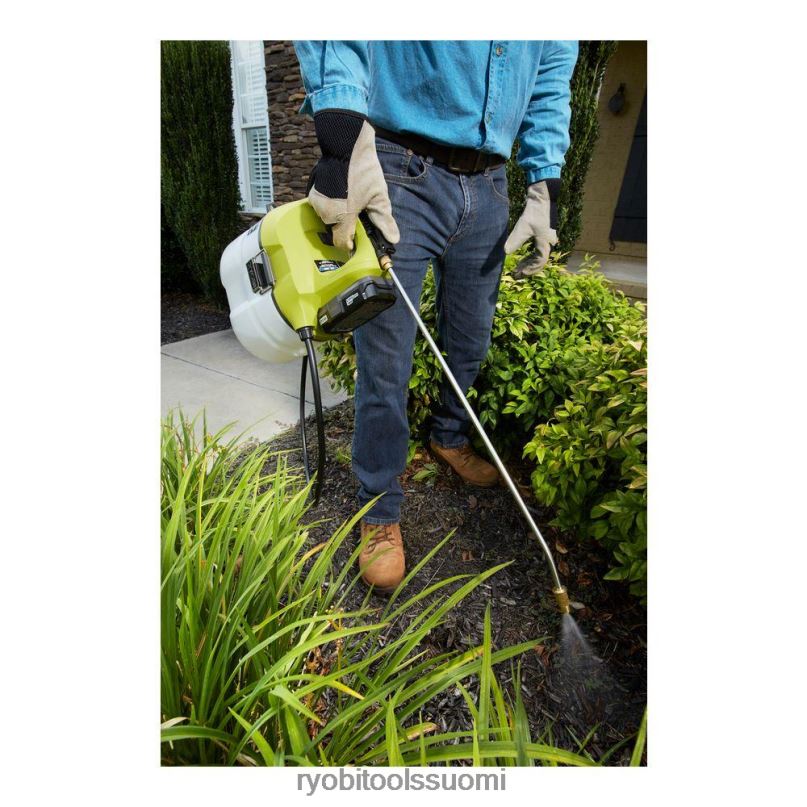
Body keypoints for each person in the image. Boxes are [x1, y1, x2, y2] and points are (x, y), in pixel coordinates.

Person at [294, 40, 578, 592]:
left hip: (490, 187)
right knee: (387, 361)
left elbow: (549, 73)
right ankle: (378, 506)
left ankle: (447, 437)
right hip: (402, 173)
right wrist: (342, 142)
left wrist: (544, 179)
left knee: (471, 339)